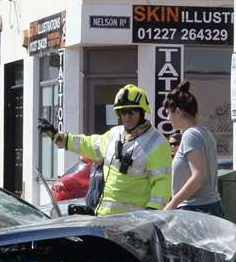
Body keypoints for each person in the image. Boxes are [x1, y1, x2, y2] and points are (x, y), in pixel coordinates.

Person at [41, 84, 171, 216]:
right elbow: (88, 144)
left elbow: (162, 183)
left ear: (142, 112)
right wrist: (57, 137)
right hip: (105, 219)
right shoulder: (114, 134)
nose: (127, 117)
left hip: (134, 224)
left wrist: (151, 214)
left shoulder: (157, 143)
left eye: (131, 112)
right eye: (122, 112)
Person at [160, 83, 225, 218]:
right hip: (207, 208)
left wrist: (172, 204)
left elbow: (198, 177)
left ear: (177, 111)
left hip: (196, 211)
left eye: (168, 113)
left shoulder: (191, 135)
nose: (167, 119)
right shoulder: (205, 132)